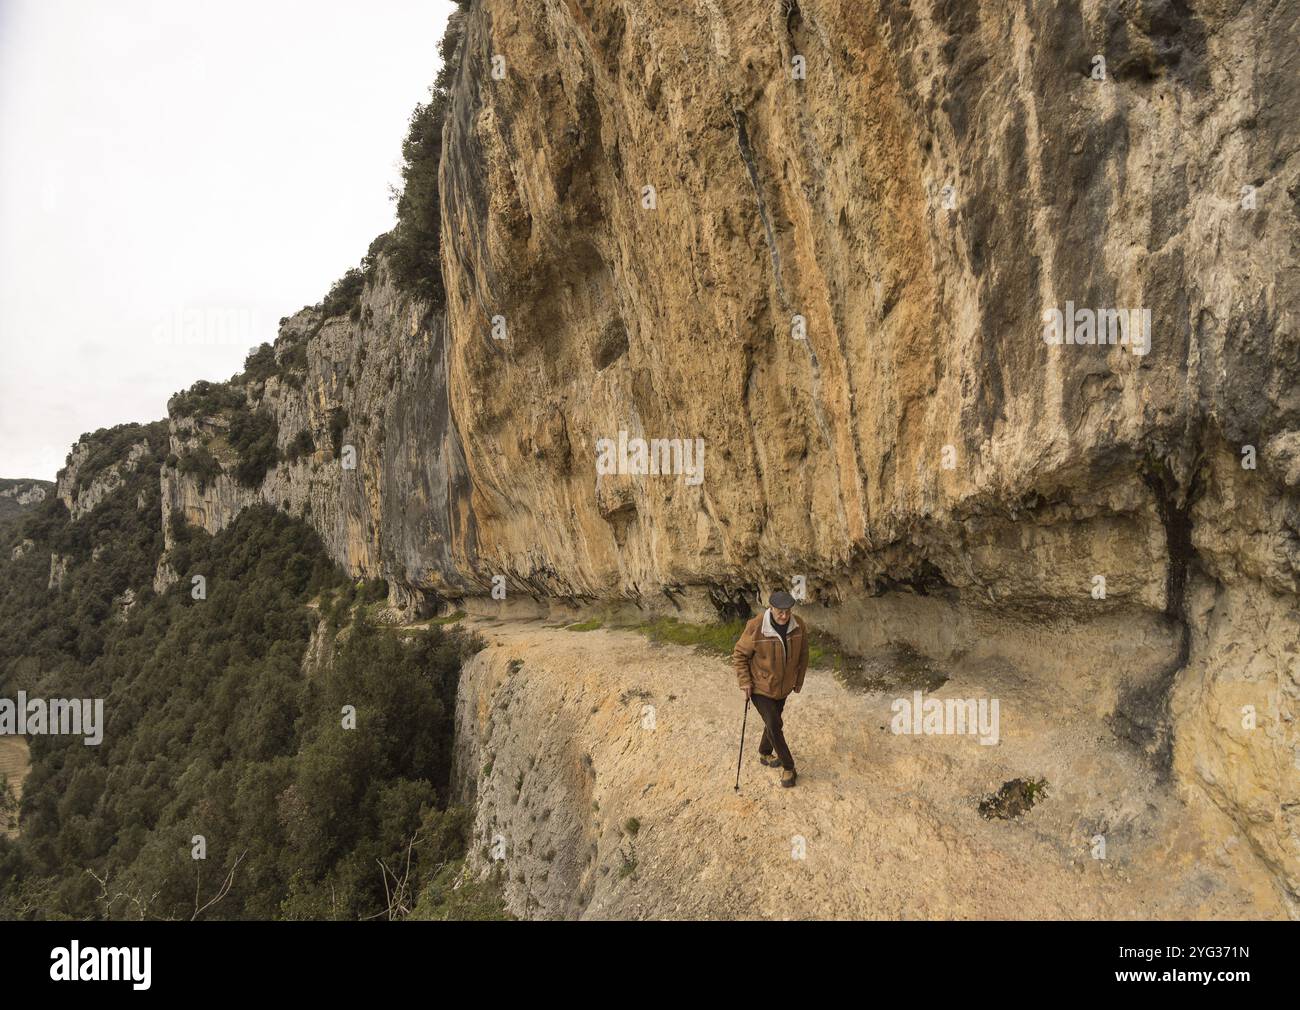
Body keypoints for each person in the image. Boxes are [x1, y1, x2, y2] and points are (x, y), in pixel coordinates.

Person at [731, 591, 808, 788]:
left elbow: (803, 656)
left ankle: (765, 752)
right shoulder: (756, 626)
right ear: (771, 608)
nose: (784, 616)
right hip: (760, 686)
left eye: (788, 612)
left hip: (784, 687)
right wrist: (745, 682)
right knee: (774, 723)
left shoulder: (798, 625)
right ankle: (789, 767)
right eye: (780, 612)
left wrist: (798, 681)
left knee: (771, 722)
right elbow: (739, 655)